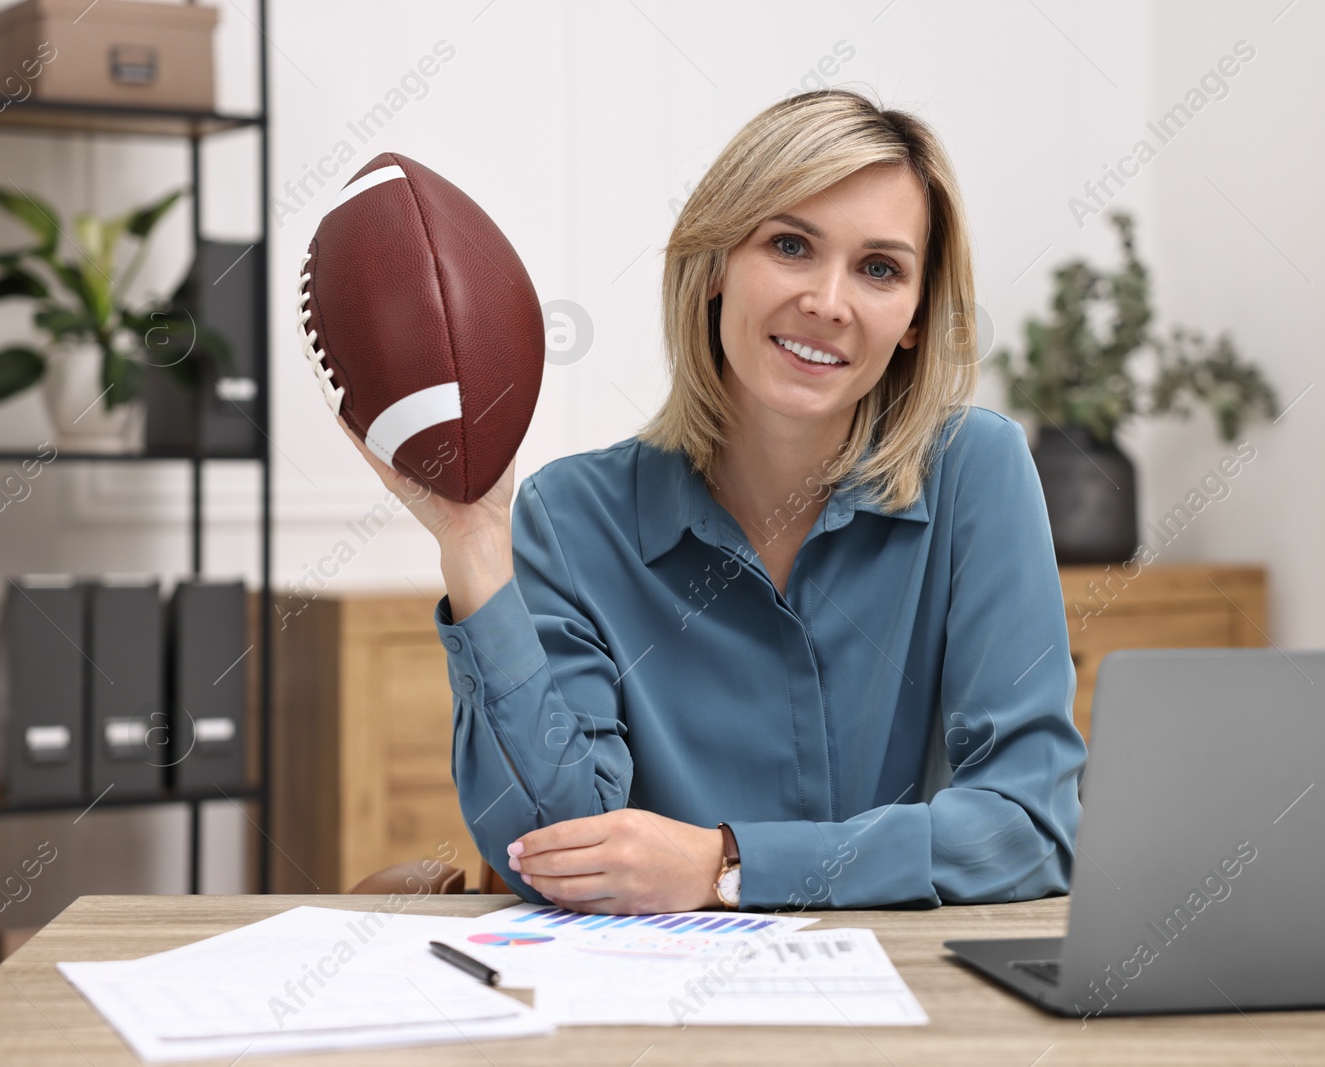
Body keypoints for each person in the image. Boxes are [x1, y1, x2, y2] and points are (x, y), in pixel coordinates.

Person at [344, 88, 1086, 914]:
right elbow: (549, 848)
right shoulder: (573, 516)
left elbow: (1027, 824)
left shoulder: (975, 473)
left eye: (880, 268)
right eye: (791, 245)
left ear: (914, 316)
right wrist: (474, 545)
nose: (830, 303)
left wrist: (727, 863)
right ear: (715, 266)